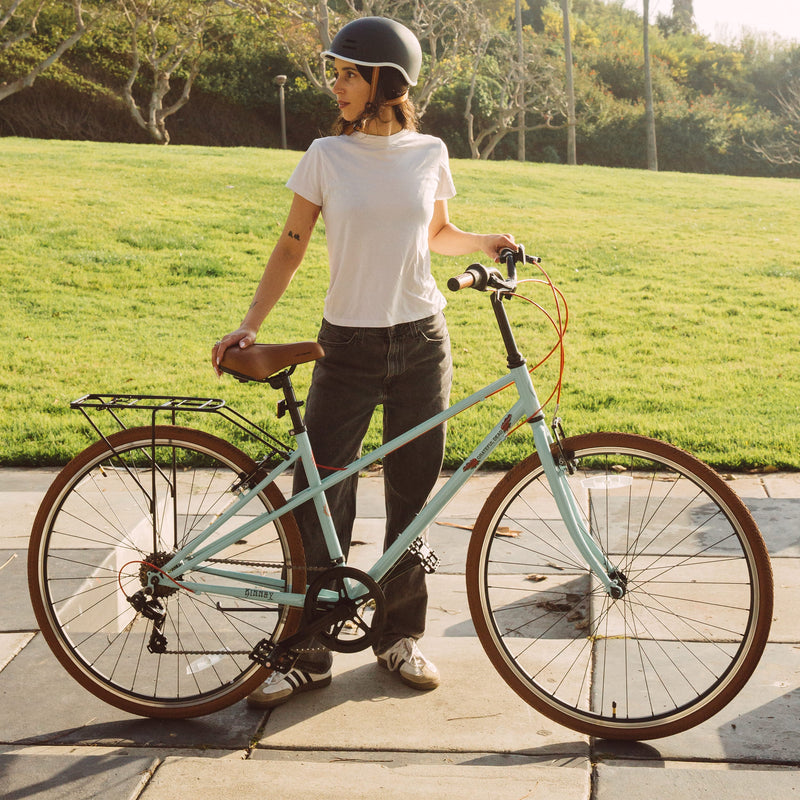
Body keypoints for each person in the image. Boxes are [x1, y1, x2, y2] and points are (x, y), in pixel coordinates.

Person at [212, 16, 516, 709]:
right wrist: (249, 324)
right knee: (322, 496)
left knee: (412, 496)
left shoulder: (429, 151)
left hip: (421, 341)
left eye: (348, 73)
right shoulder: (325, 154)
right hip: (344, 345)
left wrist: (487, 240)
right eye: (335, 73)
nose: (337, 85)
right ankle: (310, 647)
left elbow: (436, 234)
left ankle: (398, 636)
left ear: (385, 80)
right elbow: (291, 244)